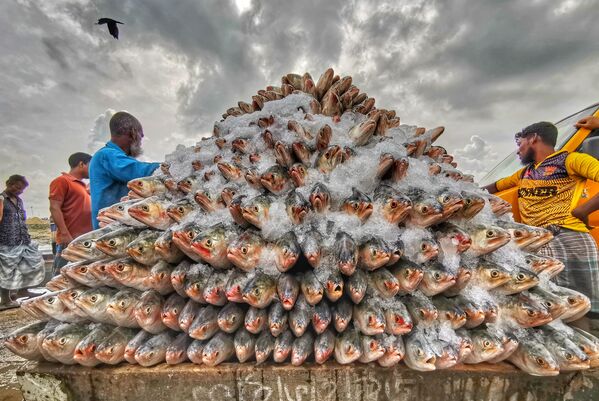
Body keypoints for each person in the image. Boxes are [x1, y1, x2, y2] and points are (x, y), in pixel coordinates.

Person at [484, 121, 599, 330]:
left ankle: (586, 358)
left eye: (520, 143)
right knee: (548, 311)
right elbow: (491, 188)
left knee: (576, 310)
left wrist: (582, 211)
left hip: (569, 238)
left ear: (533, 138)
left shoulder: (570, 160)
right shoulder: (525, 173)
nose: (518, 150)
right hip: (539, 243)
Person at [89, 111, 160, 229]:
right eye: (140, 137)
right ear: (133, 133)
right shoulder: (107, 155)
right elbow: (140, 172)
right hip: (110, 231)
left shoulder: (108, 155)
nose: (140, 143)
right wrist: (175, 164)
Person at [0, 175, 44, 309]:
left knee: (28, 264)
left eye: (22, 189)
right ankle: (5, 300)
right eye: (17, 187)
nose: (19, 191)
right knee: (7, 270)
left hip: (22, 239)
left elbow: (22, 220)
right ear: (8, 183)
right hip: (6, 241)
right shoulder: (1, 199)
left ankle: (22, 291)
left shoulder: (19, 201)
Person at [49, 152, 93, 273]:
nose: (93, 169)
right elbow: (54, 207)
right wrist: (64, 234)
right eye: (91, 165)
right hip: (70, 240)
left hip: (83, 240)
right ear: (81, 164)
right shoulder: (62, 181)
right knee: (61, 278)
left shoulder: (83, 186)